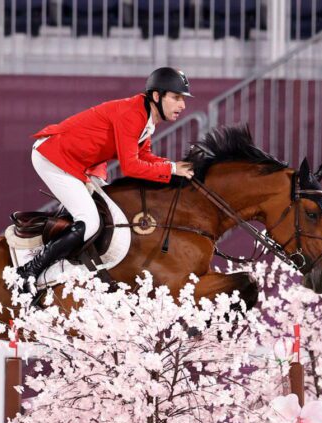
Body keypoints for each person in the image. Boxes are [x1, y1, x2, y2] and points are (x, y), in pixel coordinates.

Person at [16, 67, 196, 285]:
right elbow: (130, 166)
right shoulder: (133, 114)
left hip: (76, 163)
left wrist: (173, 166)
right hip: (54, 157)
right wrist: (171, 170)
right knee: (90, 221)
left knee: (110, 210)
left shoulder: (146, 117)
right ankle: (30, 270)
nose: (183, 105)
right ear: (157, 96)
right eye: (176, 97)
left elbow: (143, 155)